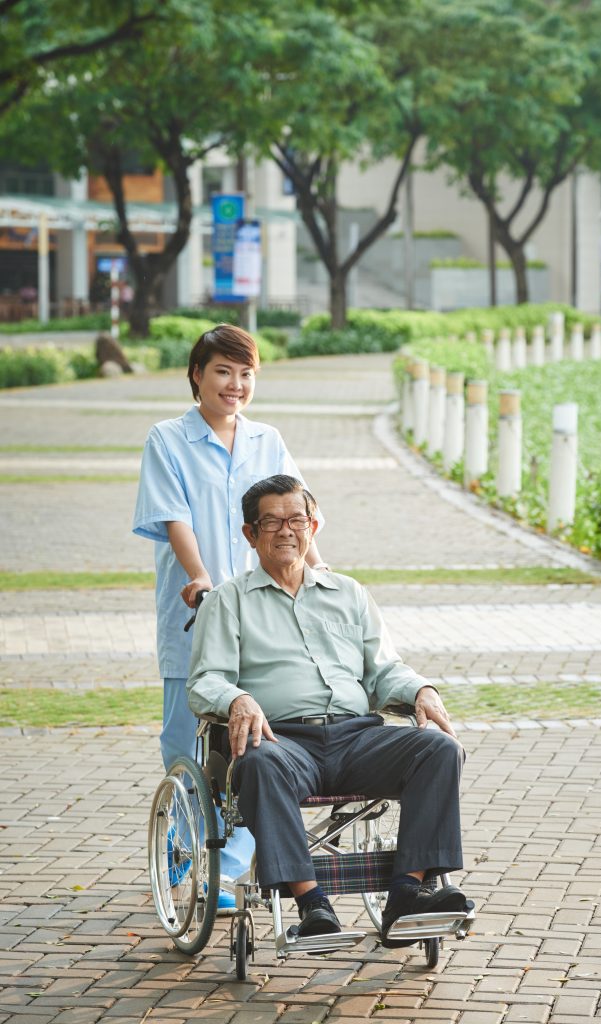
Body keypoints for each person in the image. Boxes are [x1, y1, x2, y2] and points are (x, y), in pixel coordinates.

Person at [187, 474, 469, 946]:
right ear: (250, 534)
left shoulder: (349, 593)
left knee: (438, 749)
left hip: (358, 738)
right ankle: (313, 904)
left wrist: (421, 689)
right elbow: (204, 681)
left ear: (313, 525)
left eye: (296, 519)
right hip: (284, 741)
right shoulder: (229, 601)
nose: (285, 530)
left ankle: (407, 894)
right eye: (271, 521)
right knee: (257, 764)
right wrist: (236, 698)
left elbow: (383, 671)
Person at [133, 326, 327, 908]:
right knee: (186, 739)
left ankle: (232, 861)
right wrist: (199, 577)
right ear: (197, 373)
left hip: (264, 613)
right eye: (223, 371)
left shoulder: (268, 440)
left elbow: (297, 516)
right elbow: (175, 518)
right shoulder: (168, 439)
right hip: (195, 611)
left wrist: (323, 578)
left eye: (245, 374)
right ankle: (182, 838)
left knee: (258, 735)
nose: (235, 385)